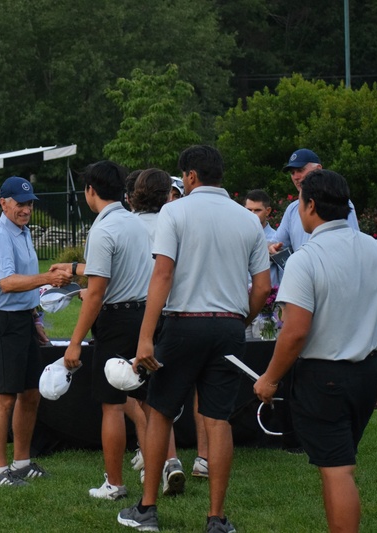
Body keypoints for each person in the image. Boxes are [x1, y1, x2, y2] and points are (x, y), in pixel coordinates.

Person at [117, 145, 271, 533]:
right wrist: (240, 320)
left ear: (190, 176)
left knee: (160, 413)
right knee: (218, 421)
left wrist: (145, 337)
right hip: (229, 327)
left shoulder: (175, 211)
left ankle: (147, 510)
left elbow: (162, 275)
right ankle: (216, 518)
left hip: (183, 324)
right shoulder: (248, 220)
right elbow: (262, 287)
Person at [254, 169, 377, 533]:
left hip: (326, 378)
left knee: (338, 470)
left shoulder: (305, 259)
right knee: (338, 463)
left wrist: (269, 379)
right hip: (368, 372)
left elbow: (295, 332)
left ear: (309, 206)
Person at [51, 161, 153, 500]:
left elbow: (96, 293)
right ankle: (156, 475)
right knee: (148, 403)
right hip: (144, 318)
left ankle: (114, 483)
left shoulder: (102, 229)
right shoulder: (136, 223)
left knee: (112, 405)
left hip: (115, 322)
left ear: (90, 190)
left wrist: (75, 343)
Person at [0, 176, 72, 487]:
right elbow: (7, 283)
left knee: (31, 393)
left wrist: (35, 319)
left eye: (30, 203)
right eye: (20, 204)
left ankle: (21, 463)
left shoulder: (23, 231)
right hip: (3, 322)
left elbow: (24, 282)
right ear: (3, 203)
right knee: (4, 397)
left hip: (22, 320)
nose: (26, 209)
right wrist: (48, 278)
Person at [125, 168, 189, 493]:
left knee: (138, 396)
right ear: (167, 194)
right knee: (159, 396)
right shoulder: (174, 222)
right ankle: (170, 458)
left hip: (138, 312)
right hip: (173, 312)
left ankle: (154, 459)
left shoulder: (127, 225)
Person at [268, 149, 359, 256]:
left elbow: (352, 243)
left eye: (300, 170)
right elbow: (276, 243)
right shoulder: (292, 209)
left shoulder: (340, 202)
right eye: (292, 173)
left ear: (318, 169)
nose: (296, 177)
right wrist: (271, 248)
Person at [245, 189, 281, 286]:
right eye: (249, 210)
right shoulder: (237, 237)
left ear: (267, 211)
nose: (252, 214)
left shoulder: (276, 239)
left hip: (269, 293)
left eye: (257, 210)